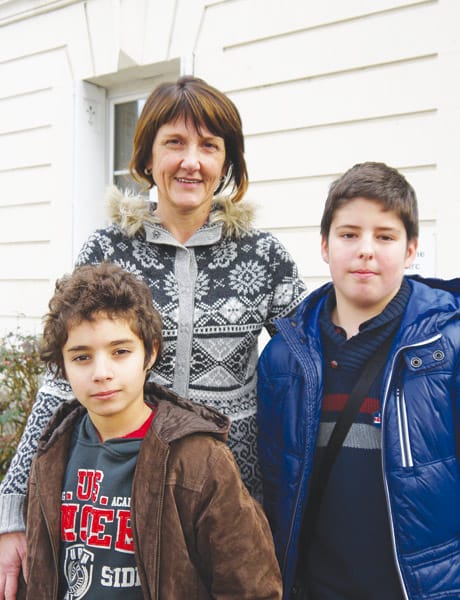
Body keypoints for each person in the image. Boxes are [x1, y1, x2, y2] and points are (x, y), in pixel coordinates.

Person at [0, 76, 307, 597]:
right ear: (146, 157)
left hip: (229, 489)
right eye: (175, 143)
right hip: (124, 493)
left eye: (209, 146)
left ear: (227, 163)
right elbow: (59, 381)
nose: (192, 161)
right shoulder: (107, 247)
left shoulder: (264, 255)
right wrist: (13, 508)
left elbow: (311, 362)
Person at [257, 161, 460, 599]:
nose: (366, 249)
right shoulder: (281, 359)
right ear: (325, 246)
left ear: (411, 250)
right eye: (349, 234)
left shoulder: (446, 350)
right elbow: (274, 488)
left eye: (385, 236)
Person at [18, 262, 282, 599]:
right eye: (82, 357)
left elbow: (252, 587)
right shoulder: (53, 452)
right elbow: (42, 576)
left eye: (121, 352)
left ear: (150, 352)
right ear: (63, 366)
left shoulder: (200, 460)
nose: (102, 372)